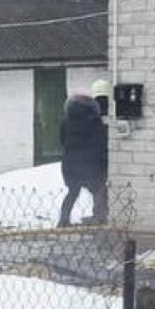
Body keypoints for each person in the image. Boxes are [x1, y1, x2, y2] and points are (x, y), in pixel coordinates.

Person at [57, 78, 111, 227]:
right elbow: (101, 142)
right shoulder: (95, 121)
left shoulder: (66, 121)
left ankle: (63, 220)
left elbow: (62, 141)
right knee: (99, 190)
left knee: (72, 192)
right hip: (91, 164)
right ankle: (99, 217)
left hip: (71, 165)